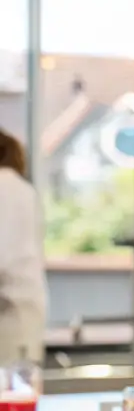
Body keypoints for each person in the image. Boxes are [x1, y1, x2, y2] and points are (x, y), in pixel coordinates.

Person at [0, 127, 46, 366]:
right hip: (21, 321)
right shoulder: (21, 190)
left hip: (9, 320)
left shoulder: (6, 189)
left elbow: (3, 257)